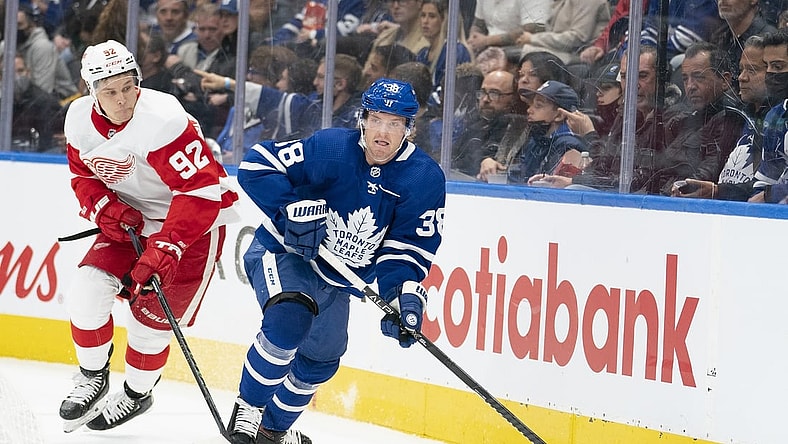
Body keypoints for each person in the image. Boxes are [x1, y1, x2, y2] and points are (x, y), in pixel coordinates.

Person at [226, 77, 446, 444]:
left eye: (395, 123)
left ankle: (272, 431)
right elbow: (257, 164)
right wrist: (288, 210)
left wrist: (400, 296)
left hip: (338, 281)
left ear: (410, 128)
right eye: (376, 119)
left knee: (320, 362)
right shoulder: (330, 148)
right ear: (362, 119)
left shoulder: (423, 178)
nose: (383, 132)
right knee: (288, 322)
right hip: (284, 253)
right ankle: (248, 410)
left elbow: (406, 248)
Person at [57, 40, 240, 432]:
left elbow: (200, 193)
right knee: (86, 291)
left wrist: (166, 247)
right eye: (110, 92)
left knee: (149, 322)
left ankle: (138, 394)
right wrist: (105, 209)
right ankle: (93, 376)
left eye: (129, 86)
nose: (123, 100)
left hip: (193, 227)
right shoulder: (77, 119)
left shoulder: (163, 119)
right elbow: (83, 177)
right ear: (91, 92)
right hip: (134, 220)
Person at [672, 35, 770, 200]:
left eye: (752, 70)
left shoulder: (759, 120)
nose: (742, 77)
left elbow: (767, 184)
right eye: (741, 70)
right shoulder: (733, 116)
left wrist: (718, 191)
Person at [652, 42, 746, 195]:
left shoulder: (730, 119)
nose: (690, 86)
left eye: (698, 77)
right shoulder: (686, 117)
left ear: (725, 80)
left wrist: (665, 193)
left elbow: (703, 177)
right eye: (685, 79)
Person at [509, 80, 588, 183]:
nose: (529, 110)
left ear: (559, 115)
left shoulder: (569, 146)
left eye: (538, 105)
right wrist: (498, 169)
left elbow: (554, 187)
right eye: (531, 104)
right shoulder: (537, 141)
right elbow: (521, 174)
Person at [750, 29, 788, 203]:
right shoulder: (775, 115)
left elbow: (768, 194)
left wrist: (770, 195)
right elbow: (765, 181)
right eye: (768, 66)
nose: (771, 74)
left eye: (778, 67)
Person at [4, 52, 65, 152]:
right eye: (10, 73)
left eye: (20, 71)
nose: (16, 77)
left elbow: (52, 145)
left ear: (28, 72)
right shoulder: (4, 102)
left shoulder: (46, 103)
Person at [516, 0, 610, 65]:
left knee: (522, 53)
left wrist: (533, 39)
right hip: (561, 50)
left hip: (580, 55)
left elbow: (577, 38)